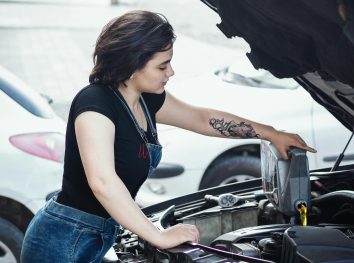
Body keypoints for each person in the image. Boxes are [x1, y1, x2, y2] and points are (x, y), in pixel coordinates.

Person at [20, 10, 316, 263]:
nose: (171, 72)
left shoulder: (144, 98)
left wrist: (271, 134)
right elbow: (103, 182)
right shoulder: (95, 104)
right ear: (132, 64)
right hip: (62, 240)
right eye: (162, 65)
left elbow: (202, 119)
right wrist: (157, 236)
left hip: (96, 234)